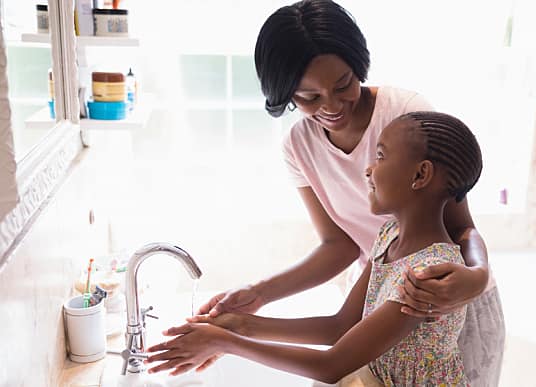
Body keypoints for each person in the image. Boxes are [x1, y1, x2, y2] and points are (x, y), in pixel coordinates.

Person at [197, 0, 505, 384]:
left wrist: (475, 274)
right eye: (309, 97)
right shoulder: (300, 146)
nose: (332, 105)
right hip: (377, 296)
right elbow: (339, 246)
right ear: (286, 93)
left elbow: (462, 227)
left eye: (343, 84)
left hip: (446, 300)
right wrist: (257, 298)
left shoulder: (405, 121)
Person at [146, 111, 483, 386]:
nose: (369, 169)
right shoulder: (390, 236)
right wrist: (240, 325)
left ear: (420, 174)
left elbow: (332, 365)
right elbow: (340, 327)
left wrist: (225, 342)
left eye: (380, 156)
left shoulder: (428, 276)